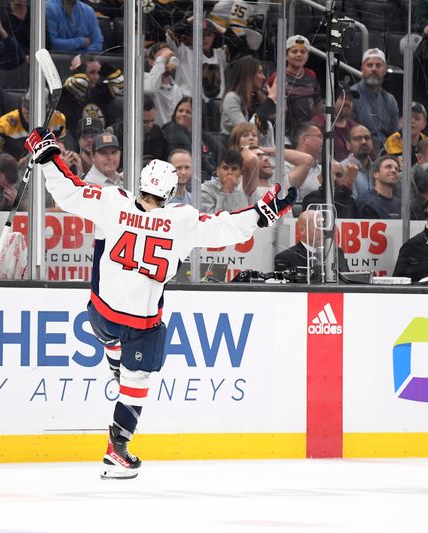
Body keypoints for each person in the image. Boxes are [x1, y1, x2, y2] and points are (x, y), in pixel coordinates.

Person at [25, 127, 298, 479]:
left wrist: (47, 155)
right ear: (170, 192)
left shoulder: (112, 200)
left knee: (110, 333)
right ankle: (117, 451)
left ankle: (112, 357)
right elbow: (224, 227)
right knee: (135, 382)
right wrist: (263, 213)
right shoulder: (180, 220)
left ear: (140, 182)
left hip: (100, 315)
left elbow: (67, 192)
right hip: (140, 325)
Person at [0, 91, 67, 163]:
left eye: (33, 109)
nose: (27, 112)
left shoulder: (58, 119)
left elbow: (60, 141)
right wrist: (19, 164)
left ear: (47, 109)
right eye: (26, 106)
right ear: (22, 101)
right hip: (14, 169)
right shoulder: (4, 125)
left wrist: (60, 147)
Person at [220, 55, 276, 148]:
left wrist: (275, 101)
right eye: (260, 73)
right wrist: (269, 101)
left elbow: (275, 120)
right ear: (248, 75)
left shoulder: (258, 97)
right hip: (237, 151)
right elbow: (247, 132)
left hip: (260, 148)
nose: (264, 77)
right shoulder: (231, 98)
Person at [351, 48, 399, 153]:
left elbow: (394, 136)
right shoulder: (351, 95)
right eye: (369, 65)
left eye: (378, 65)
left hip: (384, 154)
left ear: (385, 70)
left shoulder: (390, 100)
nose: (374, 69)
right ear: (362, 69)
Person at [163, 96, 222, 181]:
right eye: (180, 111)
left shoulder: (197, 131)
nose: (183, 114)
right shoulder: (172, 130)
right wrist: (214, 173)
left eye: (188, 112)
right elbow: (197, 158)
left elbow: (219, 150)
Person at [274, 210, 349, 274]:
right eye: (317, 228)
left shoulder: (337, 253)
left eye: (323, 227)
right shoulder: (285, 258)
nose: (322, 231)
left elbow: (347, 282)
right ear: (302, 230)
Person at [282, 35, 322, 134]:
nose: (299, 55)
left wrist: (315, 124)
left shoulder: (311, 75)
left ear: (307, 56)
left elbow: (317, 102)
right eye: (294, 51)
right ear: (286, 55)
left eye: (303, 52)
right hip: (285, 130)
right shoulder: (277, 76)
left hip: (308, 129)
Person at [310, 81, 359, 162]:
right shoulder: (317, 124)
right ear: (331, 99)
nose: (347, 102)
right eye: (342, 98)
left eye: (350, 100)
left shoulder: (355, 128)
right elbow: (313, 153)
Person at [143, 42, 184, 127]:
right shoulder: (145, 78)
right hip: (153, 133)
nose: (167, 60)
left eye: (169, 57)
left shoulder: (176, 89)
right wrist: (162, 59)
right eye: (164, 57)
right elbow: (150, 89)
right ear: (152, 62)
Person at [382, 101, 428, 166]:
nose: (412, 121)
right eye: (409, 117)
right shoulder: (393, 140)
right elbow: (400, 168)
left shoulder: (427, 142)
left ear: (424, 124)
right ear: (400, 121)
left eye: (417, 118)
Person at [357, 155, 402, 219]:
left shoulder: (402, 205)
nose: (394, 171)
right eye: (388, 167)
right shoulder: (365, 203)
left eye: (397, 169)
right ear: (376, 174)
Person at [341, 124, 375, 199]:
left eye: (367, 138)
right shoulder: (342, 168)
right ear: (348, 145)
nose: (364, 142)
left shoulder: (378, 169)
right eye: (358, 139)